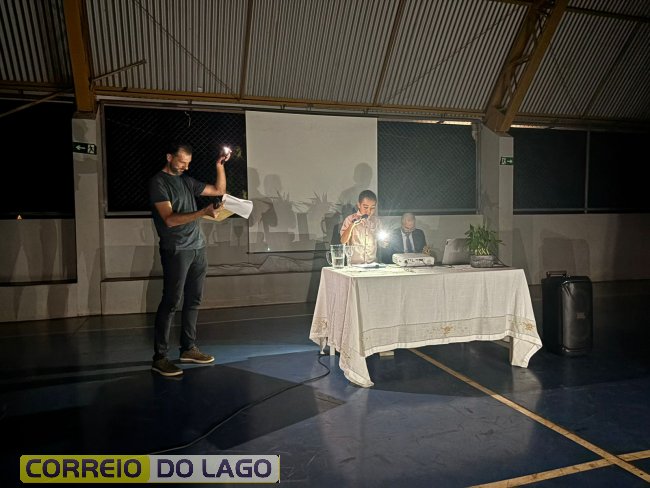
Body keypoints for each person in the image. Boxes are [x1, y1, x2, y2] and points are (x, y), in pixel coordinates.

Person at [148, 142, 231, 377]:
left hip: (197, 247)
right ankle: (160, 358)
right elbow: (169, 219)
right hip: (176, 249)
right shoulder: (158, 182)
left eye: (188, 163)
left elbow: (218, 190)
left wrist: (219, 166)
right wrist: (203, 212)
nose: (185, 167)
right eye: (182, 162)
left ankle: (188, 348)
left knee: (194, 299)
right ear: (169, 157)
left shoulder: (186, 181)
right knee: (171, 301)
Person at [340, 190, 385, 264]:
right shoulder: (349, 219)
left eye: (372, 208)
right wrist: (352, 225)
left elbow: (382, 244)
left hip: (372, 264)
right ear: (358, 205)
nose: (369, 211)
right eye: (365, 207)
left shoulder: (377, 222)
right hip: (354, 265)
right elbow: (343, 241)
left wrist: (384, 242)